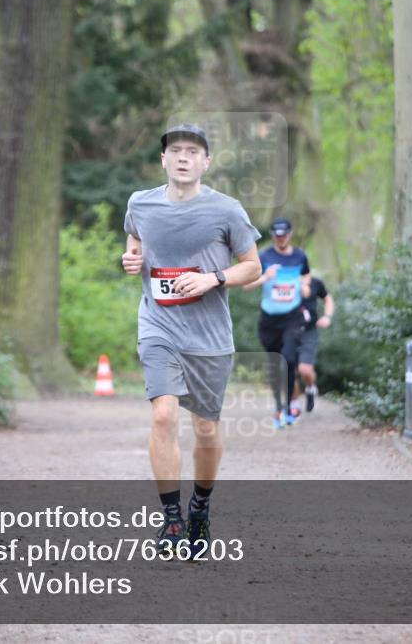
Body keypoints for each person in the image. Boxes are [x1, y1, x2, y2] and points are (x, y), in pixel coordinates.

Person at [121, 123, 262, 557]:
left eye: (193, 151)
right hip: (158, 325)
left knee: (205, 428)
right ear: (163, 159)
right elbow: (135, 242)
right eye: (176, 150)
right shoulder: (140, 203)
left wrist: (212, 278)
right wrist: (131, 259)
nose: (184, 157)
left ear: (206, 161)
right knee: (163, 415)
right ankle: (172, 519)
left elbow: (252, 267)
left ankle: (200, 504)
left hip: (208, 336)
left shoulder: (227, 210)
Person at [243, 217, 311, 428]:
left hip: (292, 317)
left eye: (284, 235)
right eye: (277, 236)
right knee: (274, 363)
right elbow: (247, 285)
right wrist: (265, 277)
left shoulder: (300, 256)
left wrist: (305, 286)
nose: (281, 239)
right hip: (269, 320)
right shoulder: (264, 257)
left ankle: (288, 407)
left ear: (290, 235)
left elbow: (306, 276)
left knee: (289, 359)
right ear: (273, 236)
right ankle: (278, 406)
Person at [297, 275, 334, 412]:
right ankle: (292, 404)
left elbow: (327, 298)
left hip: (309, 331)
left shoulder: (315, 282)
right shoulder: (283, 280)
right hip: (287, 331)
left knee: (304, 370)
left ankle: (310, 388)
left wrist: (327, 317)